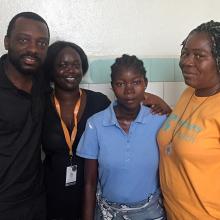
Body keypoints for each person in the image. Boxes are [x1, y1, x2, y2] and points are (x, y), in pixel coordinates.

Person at [76, 54, 167, 220]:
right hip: (108, 213)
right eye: (120, 84)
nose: (129, 90)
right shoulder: (95, 124)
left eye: (136, 82)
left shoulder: (159, 121)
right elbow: (89, 183)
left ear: (145, 83)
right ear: (112, 87)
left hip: (151, 212)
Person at [158, 20, 220, 219]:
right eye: (185, 52)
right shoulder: (189, 93)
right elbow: (190, 128)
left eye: (199, 55)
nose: (186, 61)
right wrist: (166, 109)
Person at [42, 41, 111, 220]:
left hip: (92, 189)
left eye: (76, 65)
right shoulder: (40, 104)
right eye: (63, 65)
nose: (71, 70)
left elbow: (126, 118)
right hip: (51, 192)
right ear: (51, 69)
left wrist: (157, 103)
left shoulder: (100, 103)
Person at [0, 12, 50, 220]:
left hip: (36, 200)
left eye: (41, 43)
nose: (33, 49)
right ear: (6, 42)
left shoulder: (43, 80)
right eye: (23, 40)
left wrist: (146, 99)